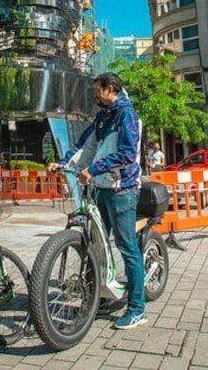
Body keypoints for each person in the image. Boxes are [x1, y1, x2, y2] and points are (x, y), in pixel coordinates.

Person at [48, 72, 145, 330]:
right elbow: (86, 146)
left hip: (121, 189)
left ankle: (136, 308)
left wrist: (94, 169)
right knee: (95, 247)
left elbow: (126, 154)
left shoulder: (128, 116)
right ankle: (98, 298)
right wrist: (64, 163)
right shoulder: (104, 116)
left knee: (127, 247)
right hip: (100, 188)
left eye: (98, 90)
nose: (95, 95)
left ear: (111, 88)